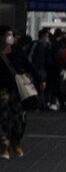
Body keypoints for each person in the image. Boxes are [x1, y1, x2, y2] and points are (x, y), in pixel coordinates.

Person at [0, 29, 31, 157]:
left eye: (12, 35)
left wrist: (40, 79)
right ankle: (4, 146)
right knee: (3, 117)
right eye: (8, 35)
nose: (11, 37)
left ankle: (15, 140)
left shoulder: (17, 50)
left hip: (17, 90)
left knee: (20, 118)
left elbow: (27, 64)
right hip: (2, 90)